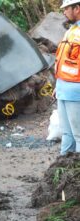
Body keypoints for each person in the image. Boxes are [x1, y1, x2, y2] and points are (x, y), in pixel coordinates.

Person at [54, 0, 80, 155]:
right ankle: (61, 170)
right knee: (67, 134)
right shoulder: (71, 30)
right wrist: (58, 85)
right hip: (63, 88)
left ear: (77, 8)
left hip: (76, 90)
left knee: (78, 135)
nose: (64, 12)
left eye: (66, 9)